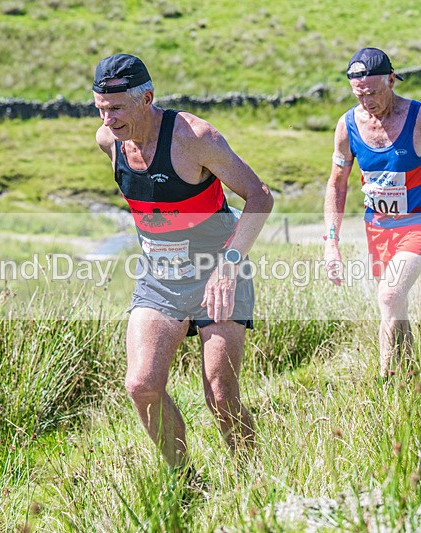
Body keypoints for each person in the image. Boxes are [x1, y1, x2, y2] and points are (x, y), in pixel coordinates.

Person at [92, 54, 273, 470]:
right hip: (161, 280)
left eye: (117, 108)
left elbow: (260, 196)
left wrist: (229, 265)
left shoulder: (195, 138)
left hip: (218, 272)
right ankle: (185, 479)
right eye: (101, 109)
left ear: (147, 98)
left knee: (221, 396)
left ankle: (253, 479)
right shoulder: (107, 141)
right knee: (141, 385)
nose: (109, 119)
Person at [323, 48, 421, 377]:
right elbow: (336, 185)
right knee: (394, 305)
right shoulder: (348, 126)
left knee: (390, 293)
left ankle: (385, 379)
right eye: (359, 94)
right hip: (379, 226)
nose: (367, 101)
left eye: (374, 92)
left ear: (392, 80)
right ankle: (412, 377)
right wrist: (331, 242)